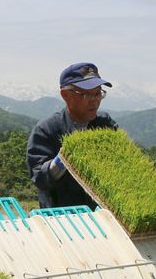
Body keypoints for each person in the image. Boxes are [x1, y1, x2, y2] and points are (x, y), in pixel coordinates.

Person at [26, 62, 118, 209]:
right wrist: (60, 162)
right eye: (87, 95)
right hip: (61, 219)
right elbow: (39, 178)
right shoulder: (46, 130)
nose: (95, 100)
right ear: (66, 95)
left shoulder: (104, 124)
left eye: (98, 93)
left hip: (99, 215)